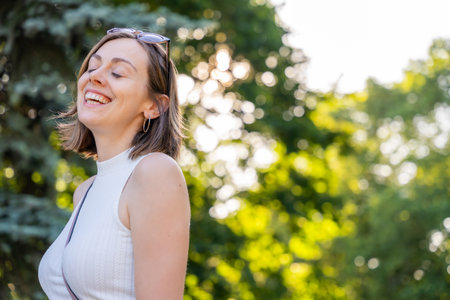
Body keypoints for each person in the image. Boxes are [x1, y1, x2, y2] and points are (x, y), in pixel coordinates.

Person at [38, 28, 190, 299]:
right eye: (92, 67)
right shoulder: (85, 191)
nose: (94, 76)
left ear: (155, 106)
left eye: (117, 73)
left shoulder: (155, 173)